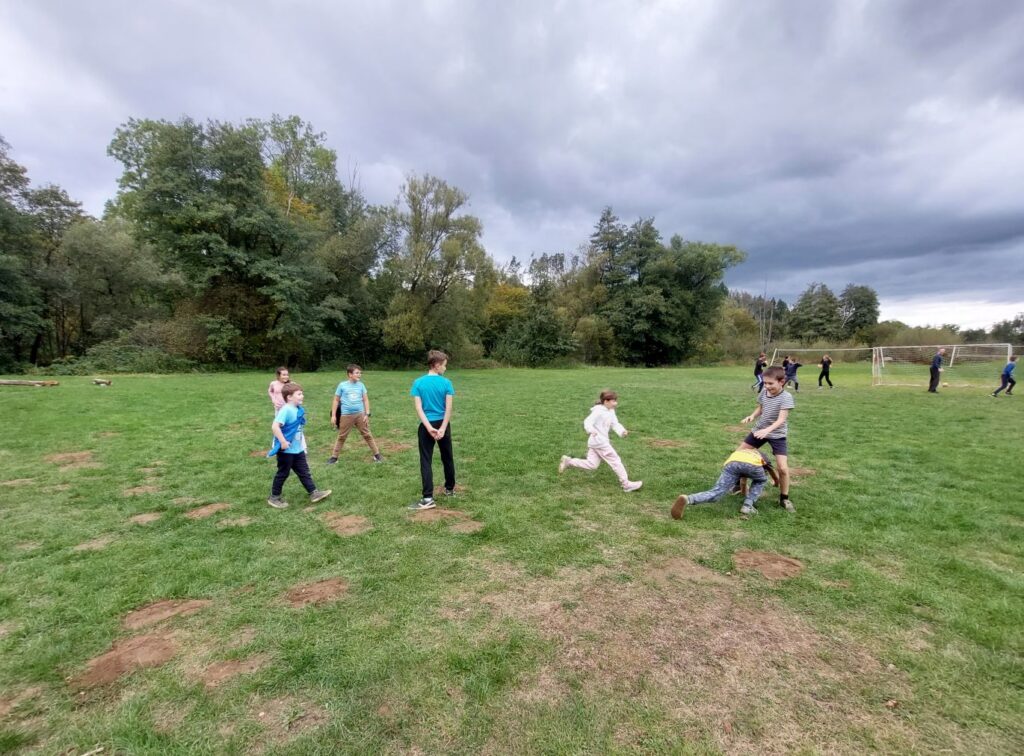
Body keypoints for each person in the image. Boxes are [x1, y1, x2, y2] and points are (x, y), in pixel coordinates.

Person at [737, 366, 796, 512]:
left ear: (781, 382)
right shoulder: (764, 391)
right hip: (759, 431)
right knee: (738, 456)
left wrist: (767, 430)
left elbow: (781, 419)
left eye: (771, 383)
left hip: (777, 435)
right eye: (765, 383)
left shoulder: (786, 397)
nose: (767, 386)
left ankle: (784, 498)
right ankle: (738, 486)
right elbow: (761, 408)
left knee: (782, 468)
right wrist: (752, 416)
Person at [558, 390, 643, 492]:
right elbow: (587, 422)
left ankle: (569, 461)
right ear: (606, 401)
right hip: (600, 442)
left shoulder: (611, 411)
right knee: (615, 461)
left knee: (592, 464)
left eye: (615, 401)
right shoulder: (598, 411)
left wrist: (622, 431)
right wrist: (591, 430)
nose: (616, 403)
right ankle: (626, 484)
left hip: (596, 443)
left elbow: (615, 424)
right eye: (613, 401)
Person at [267, 383, 332, 509]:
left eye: (302, 393)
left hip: (297, 449)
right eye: (299, 394)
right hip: (286, 450)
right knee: (283, 473)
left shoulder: (297, 409)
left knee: (304, 472)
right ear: (289, 397)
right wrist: (283, 442)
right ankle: (274, 497)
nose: (302, 396)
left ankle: (313, 493)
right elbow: (275, 427)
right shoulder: (286, 410)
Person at [409, 350, 456, 511]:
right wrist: (442, 428)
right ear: (436, 365)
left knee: (426, 460)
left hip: (426, 425)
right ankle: (449, 489)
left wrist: (429, 427)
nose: (445, 368)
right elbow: (448, 409)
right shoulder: (446, 383)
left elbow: (419, 408)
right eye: (444, 365)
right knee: (447, 457)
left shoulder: (418, 383)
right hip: (443, 424)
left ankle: (428, 498)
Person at [672, 448, 775, 518]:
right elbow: (772, 472)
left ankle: (688, 499)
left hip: (732, 463)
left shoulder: (743, 452)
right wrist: (777, 483)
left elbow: (743, 479)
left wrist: (743, 490)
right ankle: (748, 506)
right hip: (752, 465)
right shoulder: (763, 456)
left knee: (716, 492)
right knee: (761, 480)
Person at [328, 364, 383, 464]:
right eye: (357, 373)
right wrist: (333, 415)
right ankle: (334, 457)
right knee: (341, 436)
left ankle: (377, 454)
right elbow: (336, 400)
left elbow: (365, 400)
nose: (359, 375)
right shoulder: (342, 385)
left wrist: (367, 414)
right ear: (350, 374)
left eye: (360, 373)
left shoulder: (361, 385)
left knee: (367, 435)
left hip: (360, 415)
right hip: (346, 416)